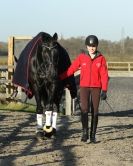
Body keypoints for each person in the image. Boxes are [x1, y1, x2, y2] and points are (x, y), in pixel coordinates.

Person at [60, 35, 109, 143]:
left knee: (95, 111)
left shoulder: (101, 59)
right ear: (86, 46)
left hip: (96, 87)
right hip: (84, 87)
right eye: (90, 46)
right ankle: (85, 133)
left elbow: (104, 75)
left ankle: (93, 136)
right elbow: (71, 69)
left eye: (94, 46)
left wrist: (104, 90)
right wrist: (60, 77)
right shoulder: (82, 57)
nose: (92, 48)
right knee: (84, 110)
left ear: (96, 46)